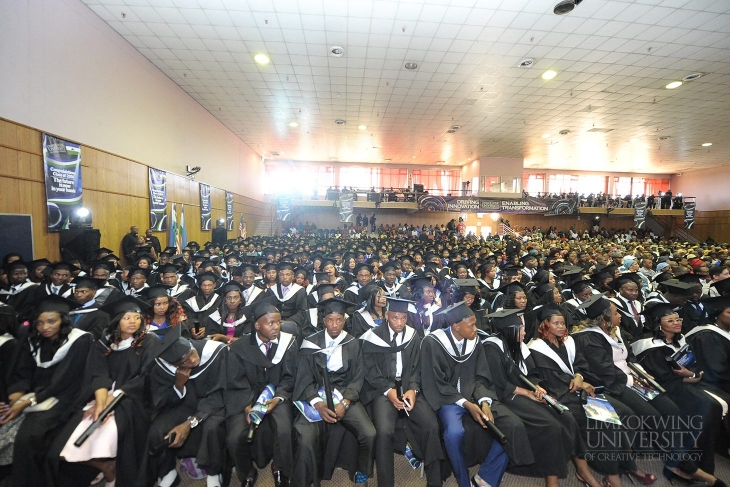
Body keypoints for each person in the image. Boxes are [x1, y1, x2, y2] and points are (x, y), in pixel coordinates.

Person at [483, 306, 602, 487]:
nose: (525, 332)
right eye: (521, 328)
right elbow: (500, 384)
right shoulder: (492, 347)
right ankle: (551, 480)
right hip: (508, 397)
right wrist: (528, 392)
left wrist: (537, 387)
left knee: (566, 416)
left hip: (527, 393)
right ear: (510, 330)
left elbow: (531, 373)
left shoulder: (519, 345)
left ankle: (583, 470)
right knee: (551, 426)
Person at [48, 296, 159, 487]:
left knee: (107, 432)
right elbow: (97, 372)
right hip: (102, 396)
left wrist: (113, 398)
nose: (133, 321)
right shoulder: (105, 342)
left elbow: (146, 376)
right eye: (126, 317)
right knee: (65, 441)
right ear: (116, 320)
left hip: (133, 399)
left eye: (136, 317)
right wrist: (101, 399)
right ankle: (104, 466)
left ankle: (113, 470)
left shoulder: (148, 341)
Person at [420, 301, 533, 487]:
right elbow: (436, 382)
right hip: (449, 399)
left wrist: (484, 402)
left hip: (476, 395)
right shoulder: (432, 343)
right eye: (471, 324)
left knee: (513, 426)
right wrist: (466, 403)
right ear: (456, 326)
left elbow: (481, 376)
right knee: (453, 434)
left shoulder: (475, 341)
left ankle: (485, 478)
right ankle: (463, 481)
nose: (476, 328)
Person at [0, 295, 93, 487]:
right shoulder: (33, 339)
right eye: (40, 322)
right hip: (34, 395)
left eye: (51, 321)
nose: (45, 327)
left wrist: (26, 402)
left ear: (63, 320)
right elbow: (23, 372)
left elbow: (64, 382)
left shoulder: (80, 340)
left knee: (29, 437)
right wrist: (14, 398)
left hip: (65, 398)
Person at [631, 304, 726, 482]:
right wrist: (693, 377)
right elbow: (663, 378)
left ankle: (704, 465)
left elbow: (696, 366)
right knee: (707, 407)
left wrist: (692, 374)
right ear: (658, 324)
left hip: (687, 384)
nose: (676, 323)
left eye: (678, 319)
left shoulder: (680, 340)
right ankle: (687, 466)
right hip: (666, 390)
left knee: (713, 408)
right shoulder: (648, 345)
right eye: (670, 320)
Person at [359, 297, 446, 487]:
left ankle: (435, 481)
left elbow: (418, 367)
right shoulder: (372, 337)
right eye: (395, 318)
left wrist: (413, 389)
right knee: (383, 431)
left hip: (408, 386)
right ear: (387, 316)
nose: (399, 323)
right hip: (382, 390)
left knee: (431, 425)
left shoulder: (413, 336)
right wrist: (388, 391)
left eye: (404, 318)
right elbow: (370, 371)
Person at [292, 298, 376, 487]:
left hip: (344, 394)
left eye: (339, 320)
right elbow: (304, 379)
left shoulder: (353, 344)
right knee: (305, 438)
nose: (334, 325)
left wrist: (345, 402)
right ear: (324, 321)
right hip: (314, 396)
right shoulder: (310, 344)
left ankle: (362, 472)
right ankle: (309, 480)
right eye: (330, 320)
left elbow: (357, 378)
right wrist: (318, 403)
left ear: (344, 320)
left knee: (369, 433)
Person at [225, 298, 297, 487]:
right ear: (257, 325)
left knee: (284, 429)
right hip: (246, 396)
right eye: (271, 323)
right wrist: (247, 405)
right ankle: (246, 470)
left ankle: (279, 467)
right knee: (234, 436)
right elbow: (235, 381)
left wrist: (278, 398)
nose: (276, 327)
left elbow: (290, 377)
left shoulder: (288, 344)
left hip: (277, 395)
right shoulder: (239, 348)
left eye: (279, 322)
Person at [144, 326, 228, 487]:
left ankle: (214, 473)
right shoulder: (161, 365)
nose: (193, 361)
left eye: (191, 353)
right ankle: (167, 472)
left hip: (214, 405)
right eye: (184, 362)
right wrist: (179, 385)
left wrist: (190, 422)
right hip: (184, 404)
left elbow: (220, 394)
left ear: (191, 344)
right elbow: (161, 401)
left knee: (213, 427)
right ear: (175, 365)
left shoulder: (216, 352)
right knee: (157, 429)